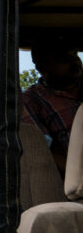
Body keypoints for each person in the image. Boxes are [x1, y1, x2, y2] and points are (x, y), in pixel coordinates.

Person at [22, 35, 83, 177]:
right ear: (42, 67)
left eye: (74, 54)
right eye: (63, 58)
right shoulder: (32, 101)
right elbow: (43, 152)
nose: (74, 61)